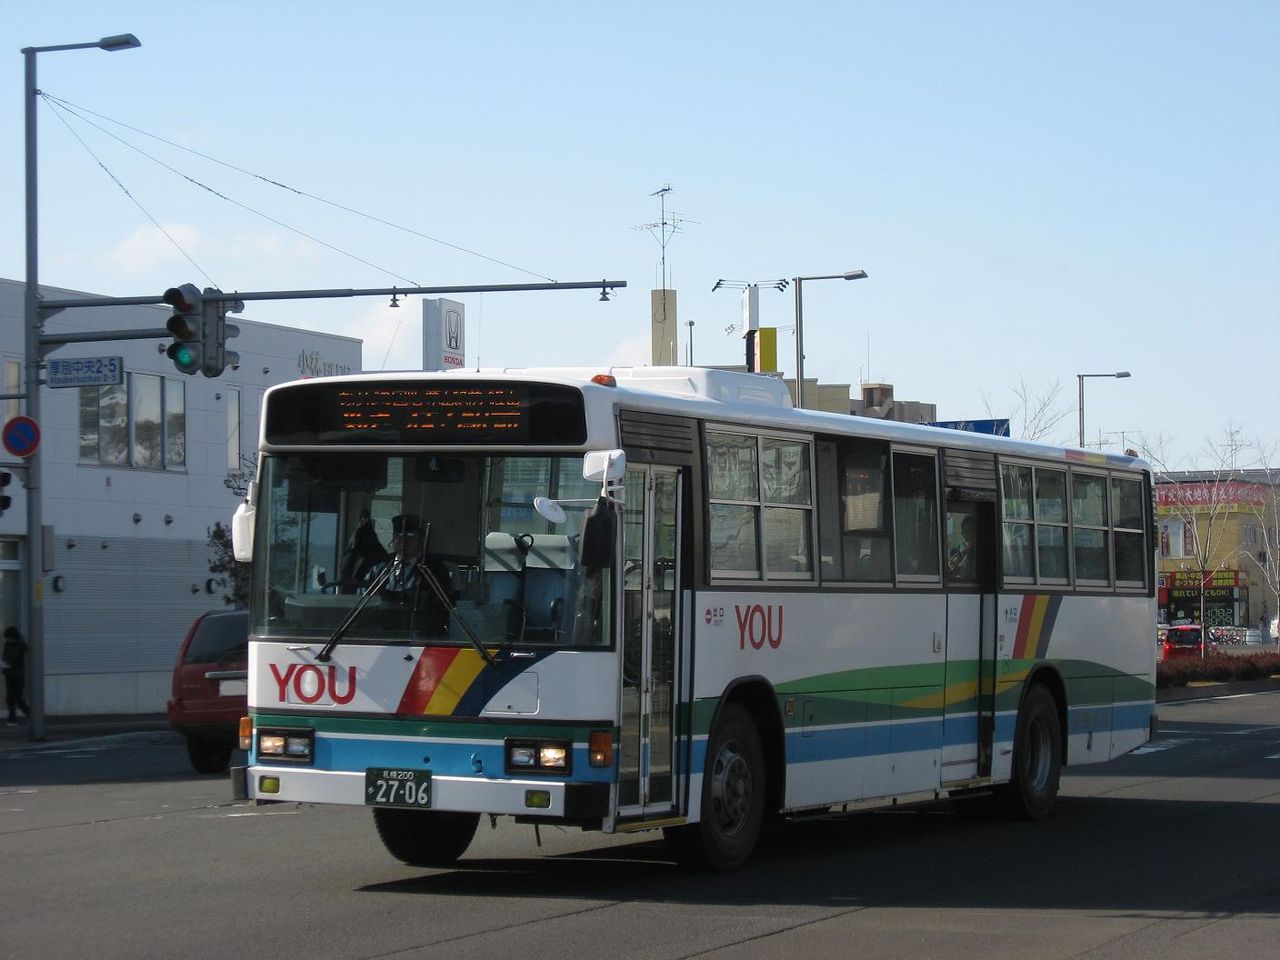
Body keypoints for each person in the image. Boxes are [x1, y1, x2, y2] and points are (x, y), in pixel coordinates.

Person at [362, 514, 451, 632]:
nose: (402, 541)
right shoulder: (380, 566)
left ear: (421, 540)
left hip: (418, 635)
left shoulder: (433, 569)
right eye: (398, 536)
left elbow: (434, 607)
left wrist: (386, 596)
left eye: (409, 536)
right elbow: (364, 599)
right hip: (379, 635)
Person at [2, 626, 31, 726]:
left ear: (12, 636)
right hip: (9, 673)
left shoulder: (22, 645)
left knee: (17, 697)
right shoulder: (8, 644)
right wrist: (4, 665)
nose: (7, 639)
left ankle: (30, 715)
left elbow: (19, 659)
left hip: (18, 674)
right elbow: (5, 656)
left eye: (8, 637)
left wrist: (8, 664)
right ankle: (12, 719)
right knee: (10, 698)